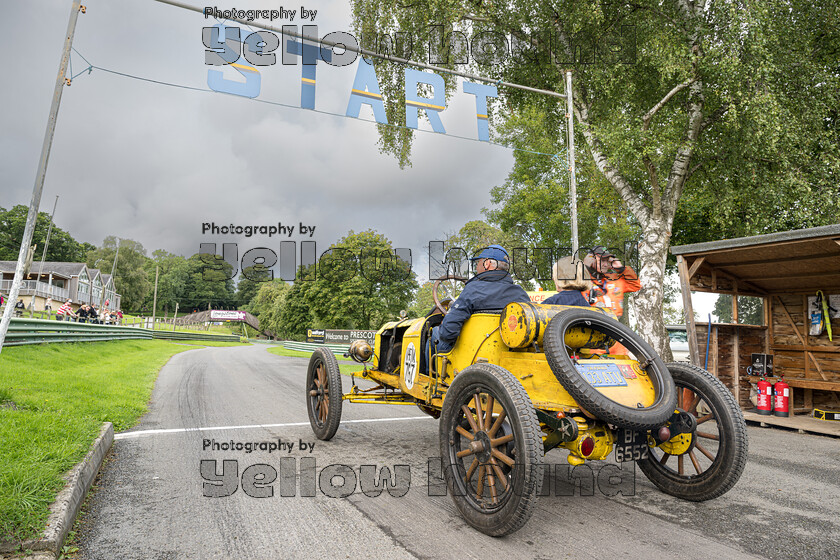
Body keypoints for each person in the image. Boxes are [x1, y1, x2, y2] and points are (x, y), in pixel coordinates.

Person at [434, 245, 530, 353]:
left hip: (474, 353)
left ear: (487, 264)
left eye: (477, 263)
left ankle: (429, 370)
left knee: (434, 333)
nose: (476, 267)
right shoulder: (521, 294)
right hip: (509, 351)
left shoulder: (473, 289)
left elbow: (448, 333)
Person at [582, 246, 641, 318]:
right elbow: (568, 291)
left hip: (613, 325)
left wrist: (621, 268)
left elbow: (636, 285)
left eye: (607, 261)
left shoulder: (614, 279)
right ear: (591, 260)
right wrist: (585, 267)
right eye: (602, 260)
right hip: (590, 323)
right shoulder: (581, 279)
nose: (606, 264)